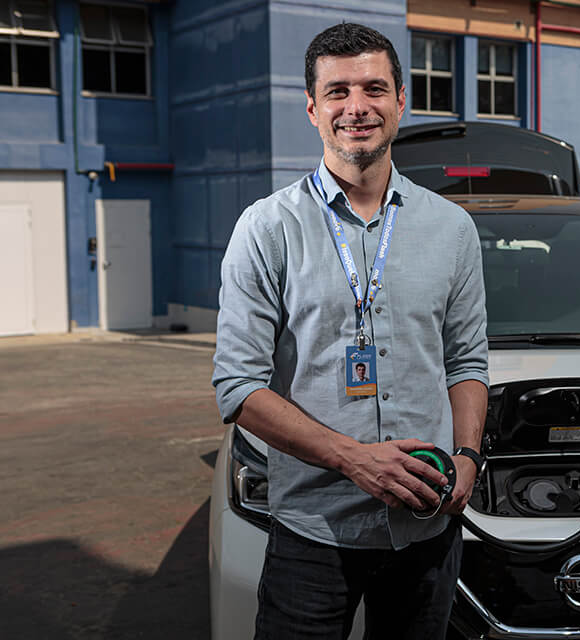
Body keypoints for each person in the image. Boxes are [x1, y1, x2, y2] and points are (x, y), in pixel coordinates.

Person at [211, 22, 489, 639]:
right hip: (314, 530)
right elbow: (238, 386)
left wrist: (467, 456)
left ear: (400, 101)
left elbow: (467, 362)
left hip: (428, 523)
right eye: (337, 92)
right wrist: (355, 461)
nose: (356, 107)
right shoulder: (267, 229)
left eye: (374, 88)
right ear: (312, 107)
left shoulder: (451, 229)